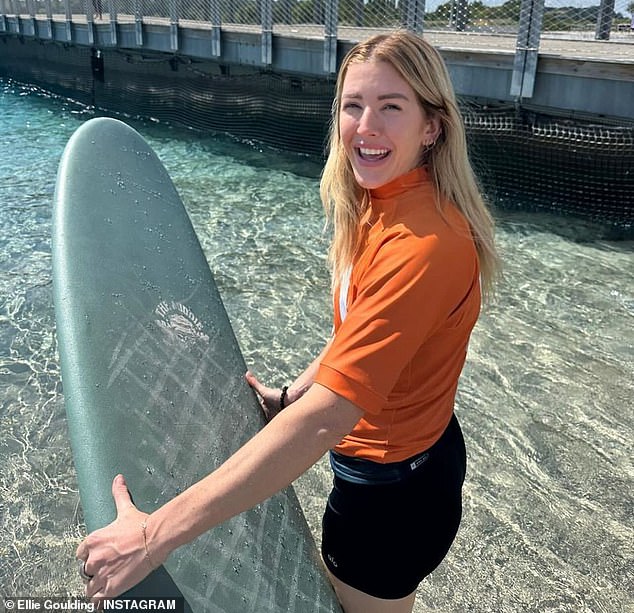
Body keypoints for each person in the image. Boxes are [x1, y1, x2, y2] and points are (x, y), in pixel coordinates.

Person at [76, 30, 499, 612]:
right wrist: (290, 396)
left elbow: (326, 422)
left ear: (432, 125)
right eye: (353, 105)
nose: (365, 126)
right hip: (411, 469)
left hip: (389, 502)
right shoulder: (388, 202)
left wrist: (153, 537)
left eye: (391, 107)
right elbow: (361, 338)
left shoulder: (422, 245)